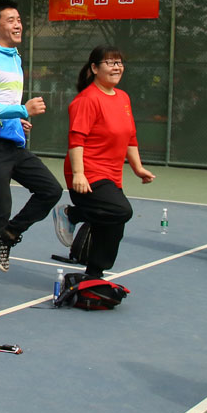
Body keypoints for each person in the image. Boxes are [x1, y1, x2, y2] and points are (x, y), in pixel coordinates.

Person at [0, 0, 62, 312]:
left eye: (19, 19)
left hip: (12, 143)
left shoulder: (14, 58)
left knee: (50, 190)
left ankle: (9, 236)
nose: (18, 25)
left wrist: (18, 119)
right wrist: (21, 109)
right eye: (11, 20)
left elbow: (0, 104)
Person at [53, 46, 154, 281]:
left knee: (113, 225)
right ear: (95, 68)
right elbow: (76, 139)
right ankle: (71, 213)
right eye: (110, 63)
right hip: (88, 171)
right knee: (121, 210)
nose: (116, 67)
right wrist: (78, 174)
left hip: (112, 173)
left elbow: (130, 136)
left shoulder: (123, 98)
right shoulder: (86, 100)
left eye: (119, 62)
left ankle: (94, 274)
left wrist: (138, 168)